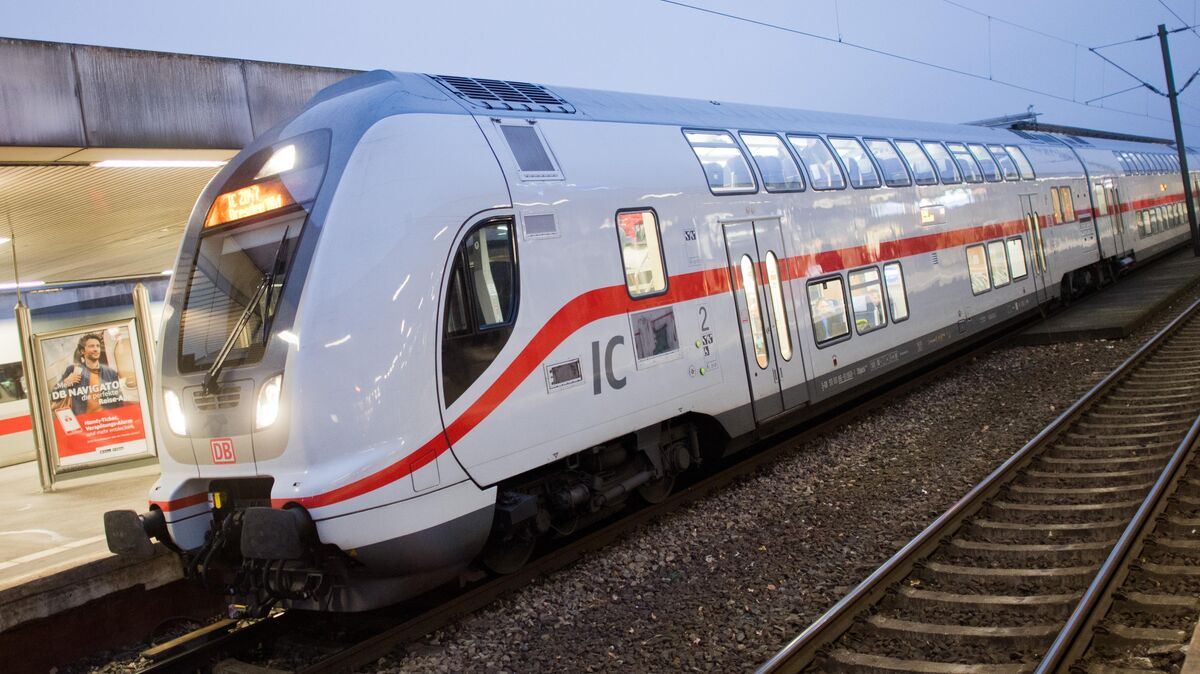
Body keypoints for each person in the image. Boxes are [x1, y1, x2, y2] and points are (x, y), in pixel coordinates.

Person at [55, 332, 123, 415]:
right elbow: (55, 396)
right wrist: (65, 383)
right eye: (91, 346)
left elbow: (118, 400)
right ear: (82, 351)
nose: (96, 349)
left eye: (97, 346)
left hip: (107, 420)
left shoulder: (111, 373)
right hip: (84, 421)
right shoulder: (72, 370)